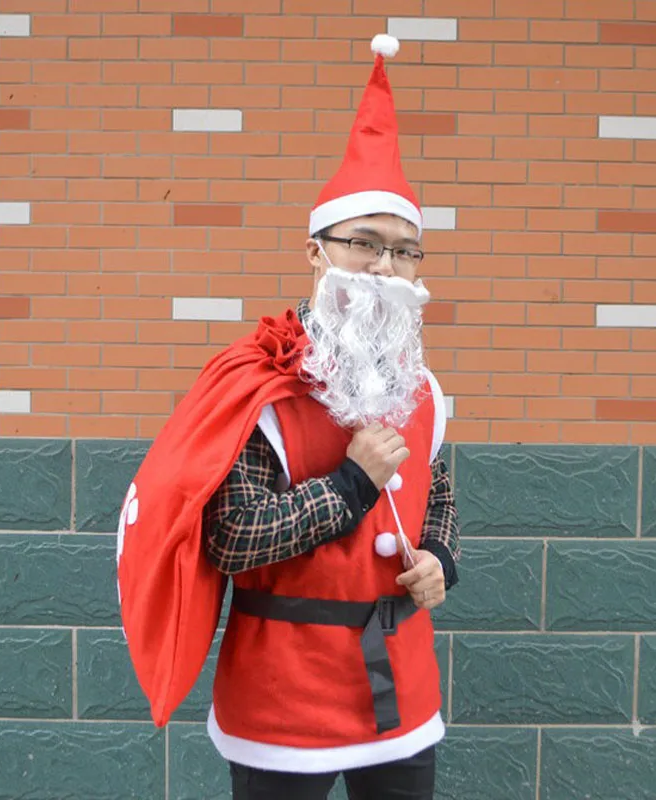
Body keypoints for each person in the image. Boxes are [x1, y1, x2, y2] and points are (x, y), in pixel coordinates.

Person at [116, 34, 459, 800]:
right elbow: (232, 538)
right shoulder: (260, 387)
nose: (386, 268)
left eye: (406, 252)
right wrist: (351, 483)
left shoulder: (424, 388)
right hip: (282, 691)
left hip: (400, 685)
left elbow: (439, 495)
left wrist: (440, 556)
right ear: (316, 250)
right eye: (365, 243)